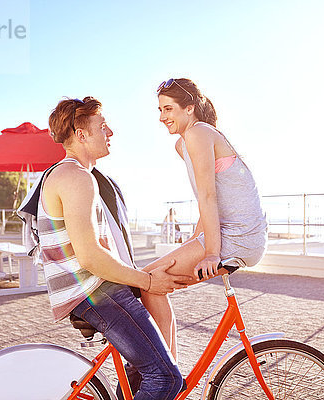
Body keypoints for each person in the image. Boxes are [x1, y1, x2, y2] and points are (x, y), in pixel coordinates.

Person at [23, 97, 187, 400]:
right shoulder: (75, 177)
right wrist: (148, 281)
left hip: (94, 290)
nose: (110, 131)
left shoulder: (70, 175)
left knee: (143, 372)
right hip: (96, 292)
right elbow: (90, 256)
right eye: (102, 126)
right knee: (165, 379)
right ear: (81, 134)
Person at [138, 78, 268, 361]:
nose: (162, 117)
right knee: (151, 281)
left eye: (169, 109)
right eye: (160, 110)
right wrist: (192, 243)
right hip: (231, 233)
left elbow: (209, 197)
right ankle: (167, 371)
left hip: (238, 237)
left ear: (189, 108)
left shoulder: (199, 133)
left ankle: (165, 378)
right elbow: (207, 198)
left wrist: (210, 253)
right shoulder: (183, 144)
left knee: (145, 280)